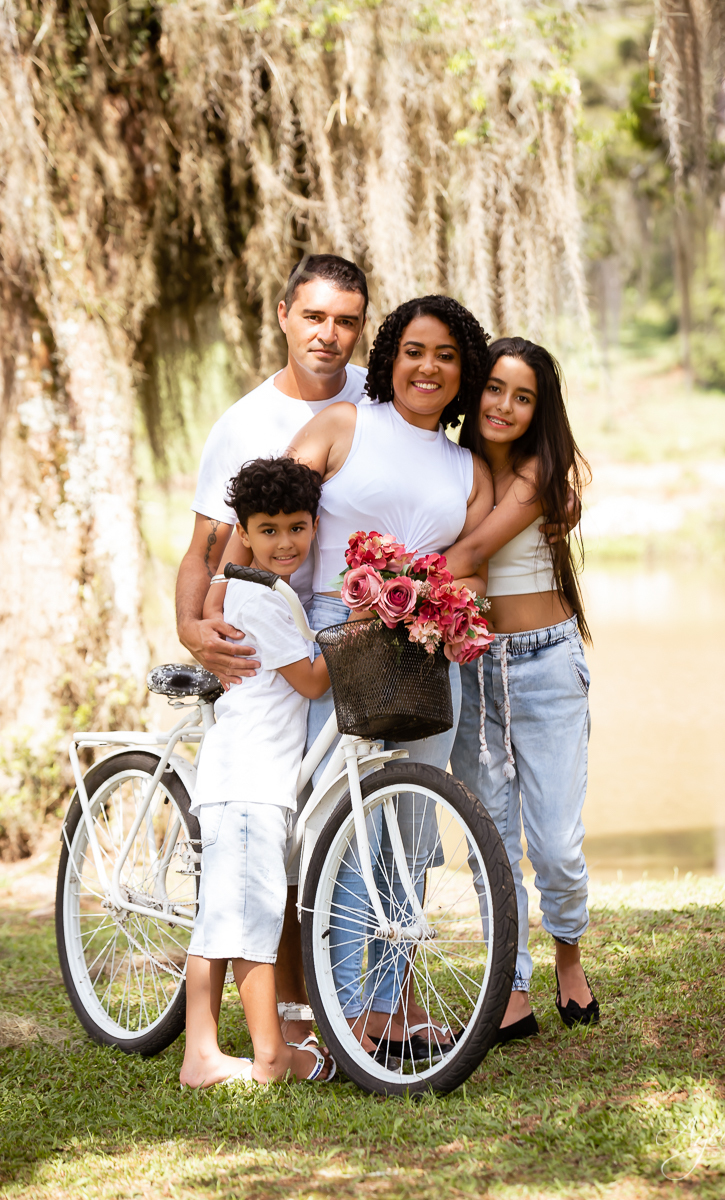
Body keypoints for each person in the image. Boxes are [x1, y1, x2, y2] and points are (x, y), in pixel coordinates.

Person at [219, 294, 494, 1057]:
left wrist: (444, 601)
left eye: (444, 355)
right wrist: (221, 602)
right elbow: (262, 515)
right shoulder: (345, 427)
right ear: (390, 358)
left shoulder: (467, 469)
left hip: (424, 664)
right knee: (336, 830)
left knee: (409, 834)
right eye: (413, 350)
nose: (427, 367)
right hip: (331, 654)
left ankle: (386, 1006)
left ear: (462, 369)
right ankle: (334, 1008)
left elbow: (471, 575)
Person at [176, 253, 369, 1045]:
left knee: (334, 833)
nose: (329, 335)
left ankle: (346, 1005)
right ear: (284, 313)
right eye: (315, 316)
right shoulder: (243, 425)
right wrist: (192, 628)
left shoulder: (376, 406)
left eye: (347, 320)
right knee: (272, 850)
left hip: (325, 629)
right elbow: (203, 550)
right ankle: (282, 1032)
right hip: (278, 645)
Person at [444, 337, 599, 1043]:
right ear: (474, 392)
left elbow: (472, 553)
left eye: (523, 395)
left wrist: (390, 578)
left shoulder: (539, 470)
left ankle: (569, 955)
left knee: (557, 842)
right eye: (495, 389)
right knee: (492, 838)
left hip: (545, 665)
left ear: (539, 409)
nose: (504, 406)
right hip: (471, 666)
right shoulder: (451, 466)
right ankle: (509, 983)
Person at [179, 457, 335, 1087]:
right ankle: (271, 1056)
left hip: (242, 775)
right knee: (253, 917)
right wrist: (371, 626)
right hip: (250, 781)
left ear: (315, 525)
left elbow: (221, 587)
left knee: (220, 916)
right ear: (243, 530)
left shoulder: (251, 589)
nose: (285, 542)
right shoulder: (266, 602)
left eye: (298, 527)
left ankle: (201, 1054)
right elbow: (313, 679)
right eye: (268, 530)